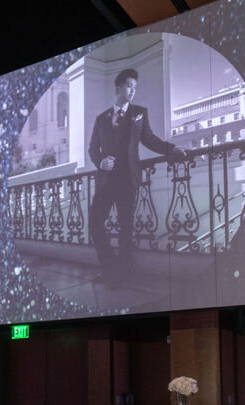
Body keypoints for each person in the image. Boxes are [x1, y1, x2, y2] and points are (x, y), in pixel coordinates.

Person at [88, 68, 184, 282]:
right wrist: (101, 162)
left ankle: (119, 275)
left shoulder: (139, 112)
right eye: (129, 86)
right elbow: (92, 148)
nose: (133, 91)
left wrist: (171, 149)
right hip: (106, 181)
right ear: (118, 87)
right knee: (95, 224)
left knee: (125, 228)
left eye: (135, 87)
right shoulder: (101, 118)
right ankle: (110, 267)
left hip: (128, 179)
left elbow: (150, 139)